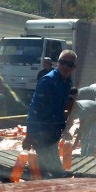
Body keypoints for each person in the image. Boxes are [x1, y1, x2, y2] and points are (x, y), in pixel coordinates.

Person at [23, 49, 77, 179]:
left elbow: (62, 105)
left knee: (47, 172)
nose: (65, 66)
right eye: (63, 62)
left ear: (73, 67)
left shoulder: (67, 81)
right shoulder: (47, 81)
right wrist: (29, 135)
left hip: (53, 132)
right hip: (42, 133)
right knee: (54, 173)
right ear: (58, 63)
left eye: (69, 64)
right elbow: (34, 110)